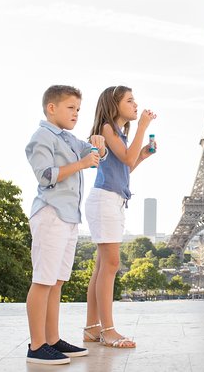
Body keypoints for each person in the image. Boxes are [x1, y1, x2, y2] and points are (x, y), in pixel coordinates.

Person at [25, 85, 106, 365]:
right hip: (51, 213)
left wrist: (99, 144)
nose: (76, 114)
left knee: (56, 282)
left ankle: (52, 339)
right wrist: (84, 162)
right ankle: (37, 346)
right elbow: (45, 175)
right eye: (71, 108)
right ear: (52, 108)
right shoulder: (42, 137)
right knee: (43, 280)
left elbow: (96, 153)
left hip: (69, 216)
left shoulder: (69, 138)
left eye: (78, 109)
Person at [82, 85, 156, 349]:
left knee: (102, 268)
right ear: (114, 105)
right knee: (110, 266)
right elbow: (125, 158)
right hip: (105, 201)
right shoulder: (106, 129)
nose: (136, 105)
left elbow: (126, 167)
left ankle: (93, 328)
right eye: (130, 100)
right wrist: (142, 128)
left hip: (112, 199)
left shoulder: (117, 134)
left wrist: (143, 154)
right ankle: (108, 330)